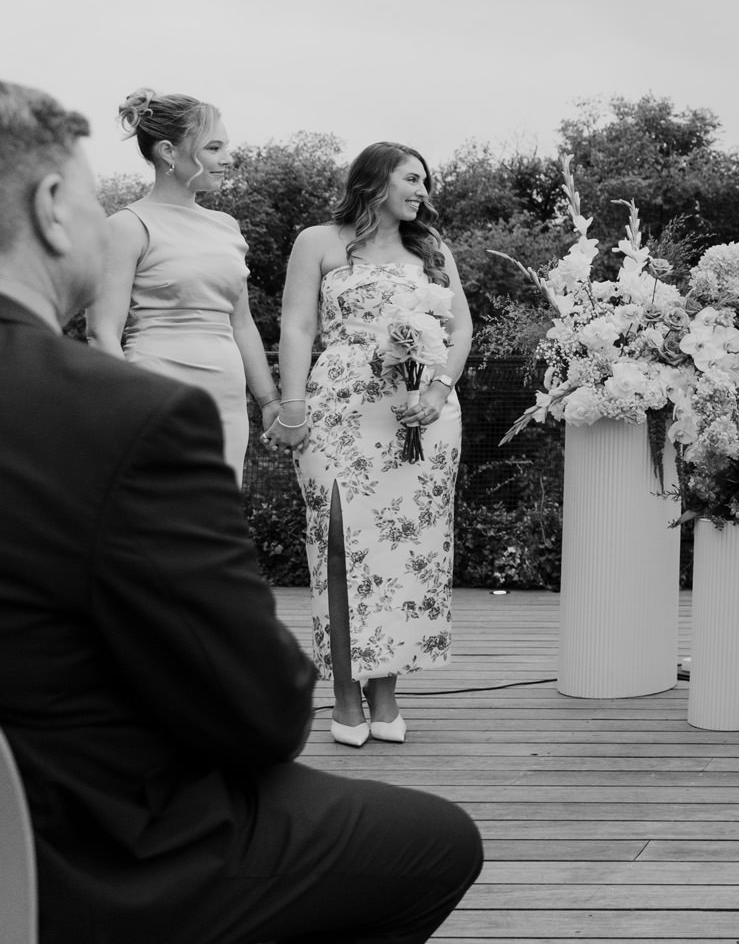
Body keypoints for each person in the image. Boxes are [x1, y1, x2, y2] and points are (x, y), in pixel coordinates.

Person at [0, 81, 482, 944]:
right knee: (439, 844)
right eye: (90, 196)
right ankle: (355, 695)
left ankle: (383, 685)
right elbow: (260, 712)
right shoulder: (121, 419)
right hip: (89, 850)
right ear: (49, 206)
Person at [272, 142, 472, 747]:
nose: (423, 191)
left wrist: (438, 390)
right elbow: (297, 325)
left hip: (420, 413)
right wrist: (292, 405)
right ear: (375, 181)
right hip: (339, 407)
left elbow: (461, 328)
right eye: (412, 178)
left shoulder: (431, 248)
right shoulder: (318, 242)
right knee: (335, 540)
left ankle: (385, 693)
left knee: (404, 546)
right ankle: (343, 694)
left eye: (426, 181)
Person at [89, 88, 281, 482]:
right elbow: (101, 332)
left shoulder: (227, 228)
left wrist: (269, 401)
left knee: (216, 510)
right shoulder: (126, 227)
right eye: (214, 148)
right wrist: (128, 404)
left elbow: (242, 322)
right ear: (168, 152)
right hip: (155, 393)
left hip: (226, 400)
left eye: (226, 147)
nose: (228, 159)